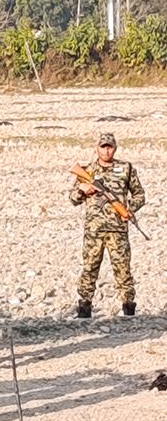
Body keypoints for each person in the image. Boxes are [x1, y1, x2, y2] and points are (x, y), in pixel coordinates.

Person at [70, 133, 145, 318]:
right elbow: (72, 199)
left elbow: (139, 195)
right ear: (97, 148)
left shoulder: (125, 168)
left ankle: (129, 309)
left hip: (118, 229)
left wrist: (128, 208)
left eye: (110, 147)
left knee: (123, 270)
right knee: (89, 268)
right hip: (94, 230)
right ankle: (84, 309)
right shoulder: (88, 171)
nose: (106, 150)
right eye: (103, 146)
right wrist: (82, 190)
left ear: (115, 148)